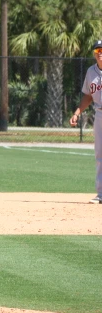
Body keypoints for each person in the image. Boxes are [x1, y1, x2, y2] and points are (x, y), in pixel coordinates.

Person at [69, 39, 102, 204]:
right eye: (97, 51)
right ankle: (101, 194)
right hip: (99, 115)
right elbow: (88, 96)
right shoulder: (91, 72)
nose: (100, 53)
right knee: (100, 155)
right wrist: (77, 113)